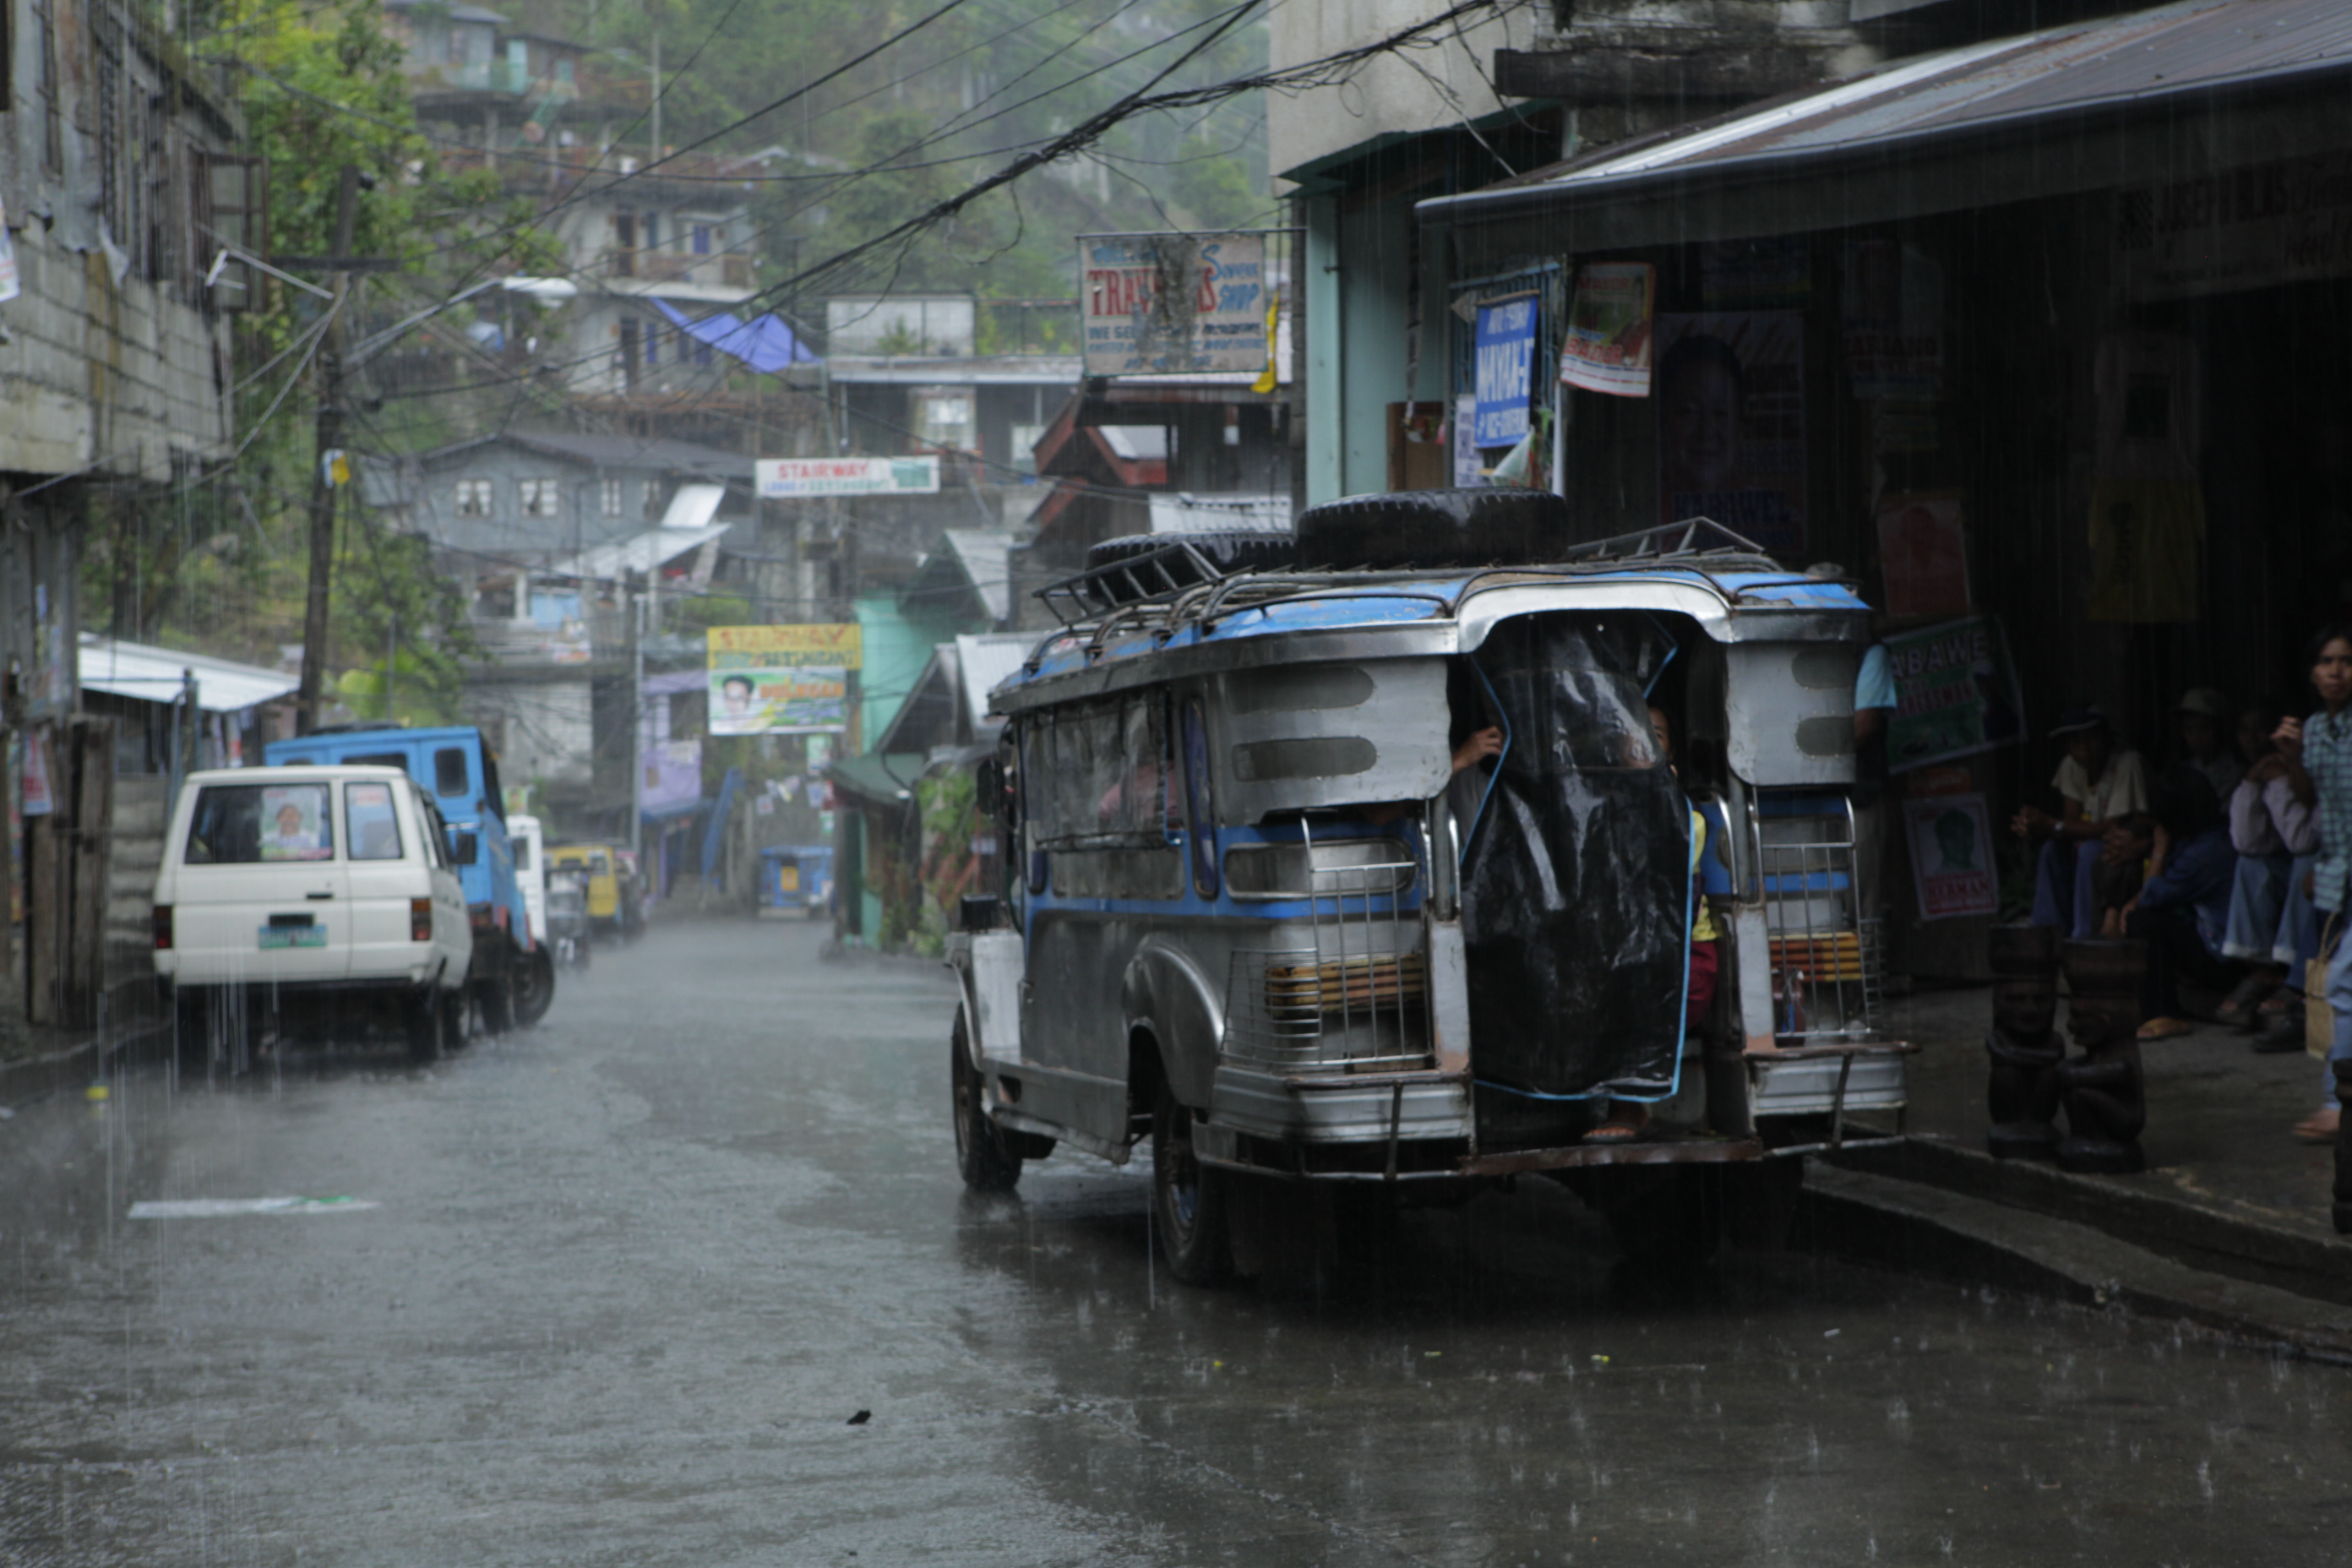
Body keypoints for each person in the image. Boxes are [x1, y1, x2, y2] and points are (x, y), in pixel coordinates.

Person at [1590, 708, 1724, 1142]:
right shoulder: (1602, 811)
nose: (1645, 740)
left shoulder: (1690, 818)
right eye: (1633, 735)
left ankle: (1631, 1107)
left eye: (1657, 735)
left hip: (1684, 956)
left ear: (1670, 758)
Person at [2277, 626, 2352, 1142]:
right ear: (2312, 671)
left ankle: (2339, 1103)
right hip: (2337, 874)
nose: (2336, 670)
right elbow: (2311, 797)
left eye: (2346, 661)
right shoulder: (2315, 731)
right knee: (2330, 986)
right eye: (2326, 661)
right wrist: (2289, 755)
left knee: (2341, 982)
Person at [2012, 705, 2149, 939]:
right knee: (2051, 850)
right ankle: (2047, 932)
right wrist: (2041, 826)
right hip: (2093, 845)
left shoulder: (2127, 762)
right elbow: (2070, 821)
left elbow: (2111, 827)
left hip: (2127, 855)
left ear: (2106, 738)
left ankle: (2084, 936)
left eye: (2090, 739)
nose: (2083, 748)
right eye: (2075, 741)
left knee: (2089, 851)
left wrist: (2051, 825)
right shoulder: (2071, 765)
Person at [2123, 767, 2240, 1040]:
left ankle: (2163, 1013)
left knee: (2144, 921)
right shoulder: (2209, 836)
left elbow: (2151, 897)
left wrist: (2159, 848)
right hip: (2221, 948)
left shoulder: (2205, 853)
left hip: (2226, 962)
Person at [2175, 688, 2245, 800]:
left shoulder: (2236, 773)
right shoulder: (2182, 770)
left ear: (2222, 729)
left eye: (2203, 729)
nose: (2195, 737)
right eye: (2188, 729)